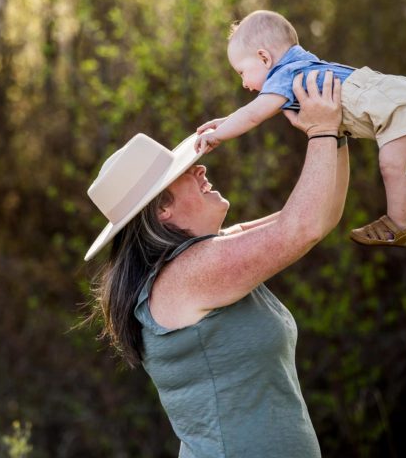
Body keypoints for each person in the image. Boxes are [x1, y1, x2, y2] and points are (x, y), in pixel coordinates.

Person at [84, 70, 347, 457]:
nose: (200, 169)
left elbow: (319, 217)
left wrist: (336, 134)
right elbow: (301, 227)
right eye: (184, 173)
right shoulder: (191, 273)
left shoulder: (204, 260)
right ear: (163, 210)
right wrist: (321, 129)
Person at [194, 9, 406, 247]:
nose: (245, 84)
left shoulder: (284, 76)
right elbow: (253, 110)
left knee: (391, 165)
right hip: (397, 91)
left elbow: (255, 114)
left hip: (391, 104)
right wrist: (224, 123)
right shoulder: (301, 63)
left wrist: (219, 134)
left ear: (264, 58)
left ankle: (396, 223)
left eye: (242, 72)